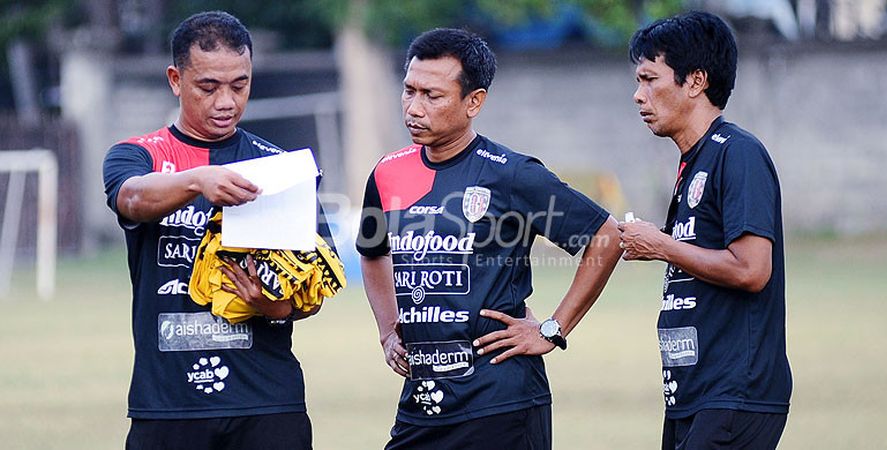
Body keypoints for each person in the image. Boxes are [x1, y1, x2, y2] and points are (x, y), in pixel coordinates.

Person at [356, 28, 622, 449]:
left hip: (501, 403)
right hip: (421, 406)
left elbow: (605, 236)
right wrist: (388, 330)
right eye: (409, 91)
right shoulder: (388, 173)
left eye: (432, 95)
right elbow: (372, 254)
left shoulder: (511, 173)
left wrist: (552, 328)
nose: (414, 107)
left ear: (473, 101)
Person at [102, 11, 330, 450]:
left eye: (239, 85)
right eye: (209, 87)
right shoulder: (137, 155)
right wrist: (197, 181)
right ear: (175, 79)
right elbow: (130, 198)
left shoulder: (280, 168)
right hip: (169, 403)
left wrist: (276, 307)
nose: (226, 101)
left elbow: (310, 292)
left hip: (267, 403)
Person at [618, 11, 792, 450]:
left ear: (694, 82)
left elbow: (752, 270)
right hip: (693, 393)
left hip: (734, 393)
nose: (638, 96)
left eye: (649, 79)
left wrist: (662, 246)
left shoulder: (738, 154)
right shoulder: (694, 162)